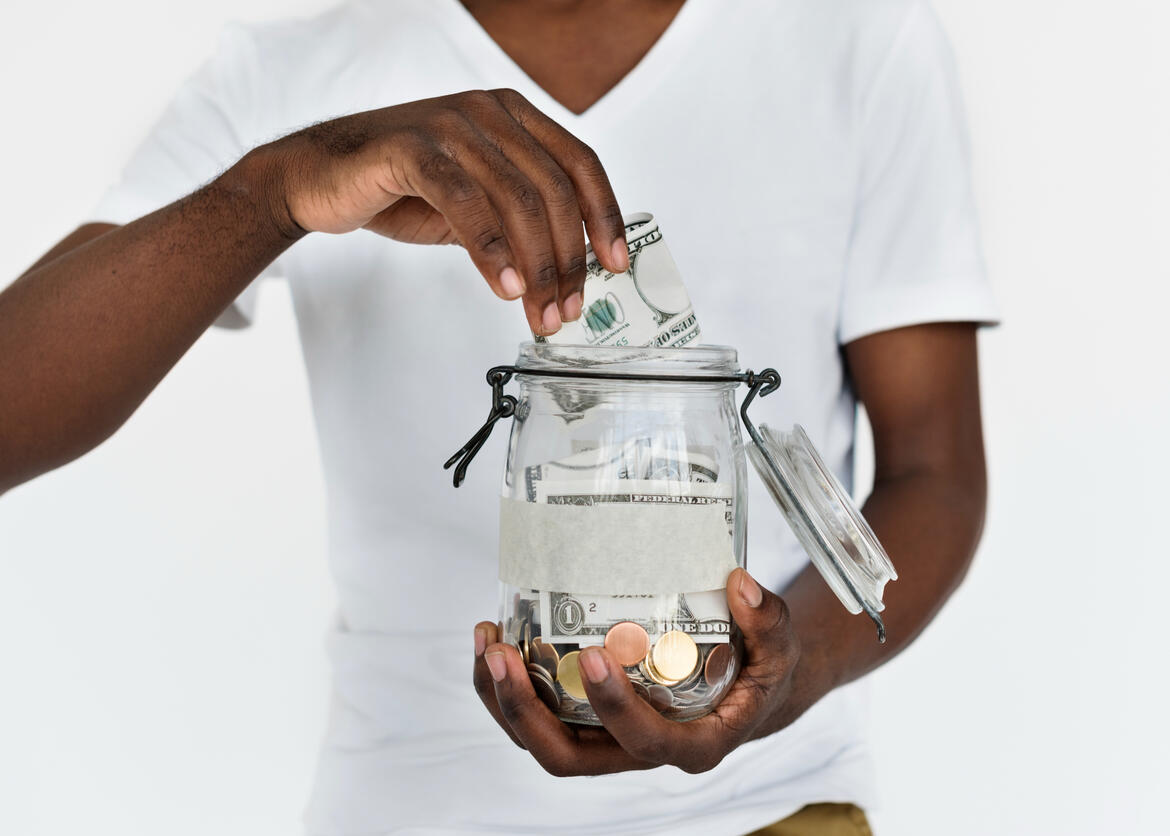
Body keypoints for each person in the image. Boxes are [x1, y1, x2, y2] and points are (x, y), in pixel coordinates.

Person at [0, 0, 998, 832]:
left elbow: (933, 473)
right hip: (405, 804)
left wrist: (793, 671)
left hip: (771, 808)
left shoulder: (855, 36)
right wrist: (275, 188)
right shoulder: (295, 62)